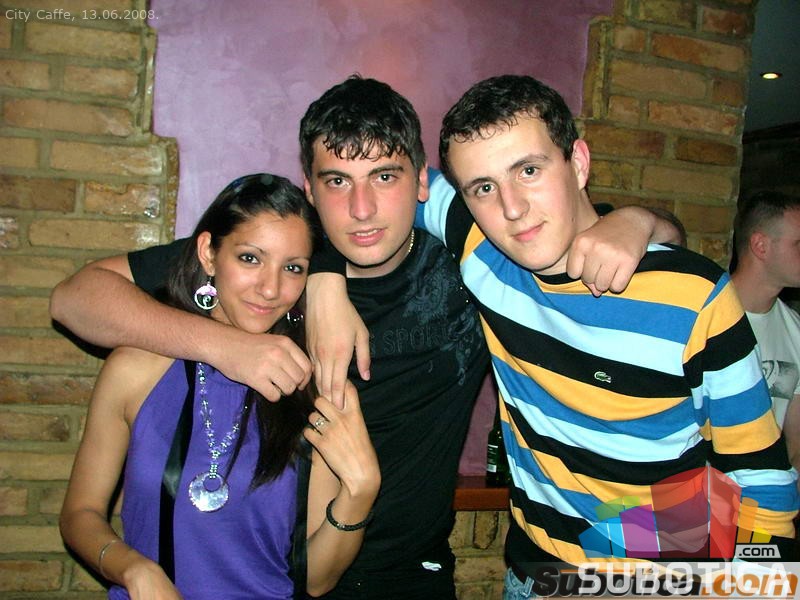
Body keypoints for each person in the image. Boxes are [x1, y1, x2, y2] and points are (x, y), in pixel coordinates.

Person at [51, 76, 676, 599]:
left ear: (425, 182)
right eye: (336, 181)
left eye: (384, 176)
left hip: (408, 578)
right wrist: (229, 346)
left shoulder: (473, 260)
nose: (361, 209)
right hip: (277, 578)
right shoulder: (274, 268)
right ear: (309, 189)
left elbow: (605, 238)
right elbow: (75, 300)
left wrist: (636, 219)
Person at [312, 75, 799, 598]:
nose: (512, 207)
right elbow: (366, 188)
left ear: (579, 163)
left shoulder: (691, 295)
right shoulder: (485, 257)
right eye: (483, 187)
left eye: (529, 170)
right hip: (535, 578)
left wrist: (761, 588)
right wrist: (323, 281)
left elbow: (762, 481)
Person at [59, 174, 380, 599]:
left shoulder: (313, 389)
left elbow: (315, 580)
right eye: (250, 258)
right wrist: (134, 569)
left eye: (293, 268)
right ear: (209, 254)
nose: (271, 288)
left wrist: (360, 490)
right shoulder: (137, 369)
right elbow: (79, 514)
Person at [730, 190, 800, 470]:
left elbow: (796, 442)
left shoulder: (795, 330)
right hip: (685, 490)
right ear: (760, 246)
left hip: (762, 492)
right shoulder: (698, 316)